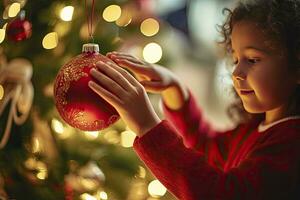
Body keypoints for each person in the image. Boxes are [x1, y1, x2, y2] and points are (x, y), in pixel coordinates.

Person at [88, 0, 300, 199]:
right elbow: (208, 150)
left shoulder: (290, 144)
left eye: (253, 59)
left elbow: (217, 193)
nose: (237, 71)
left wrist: (146, 125)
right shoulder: (257, 126)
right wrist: (174, 90)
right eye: (235, 59)